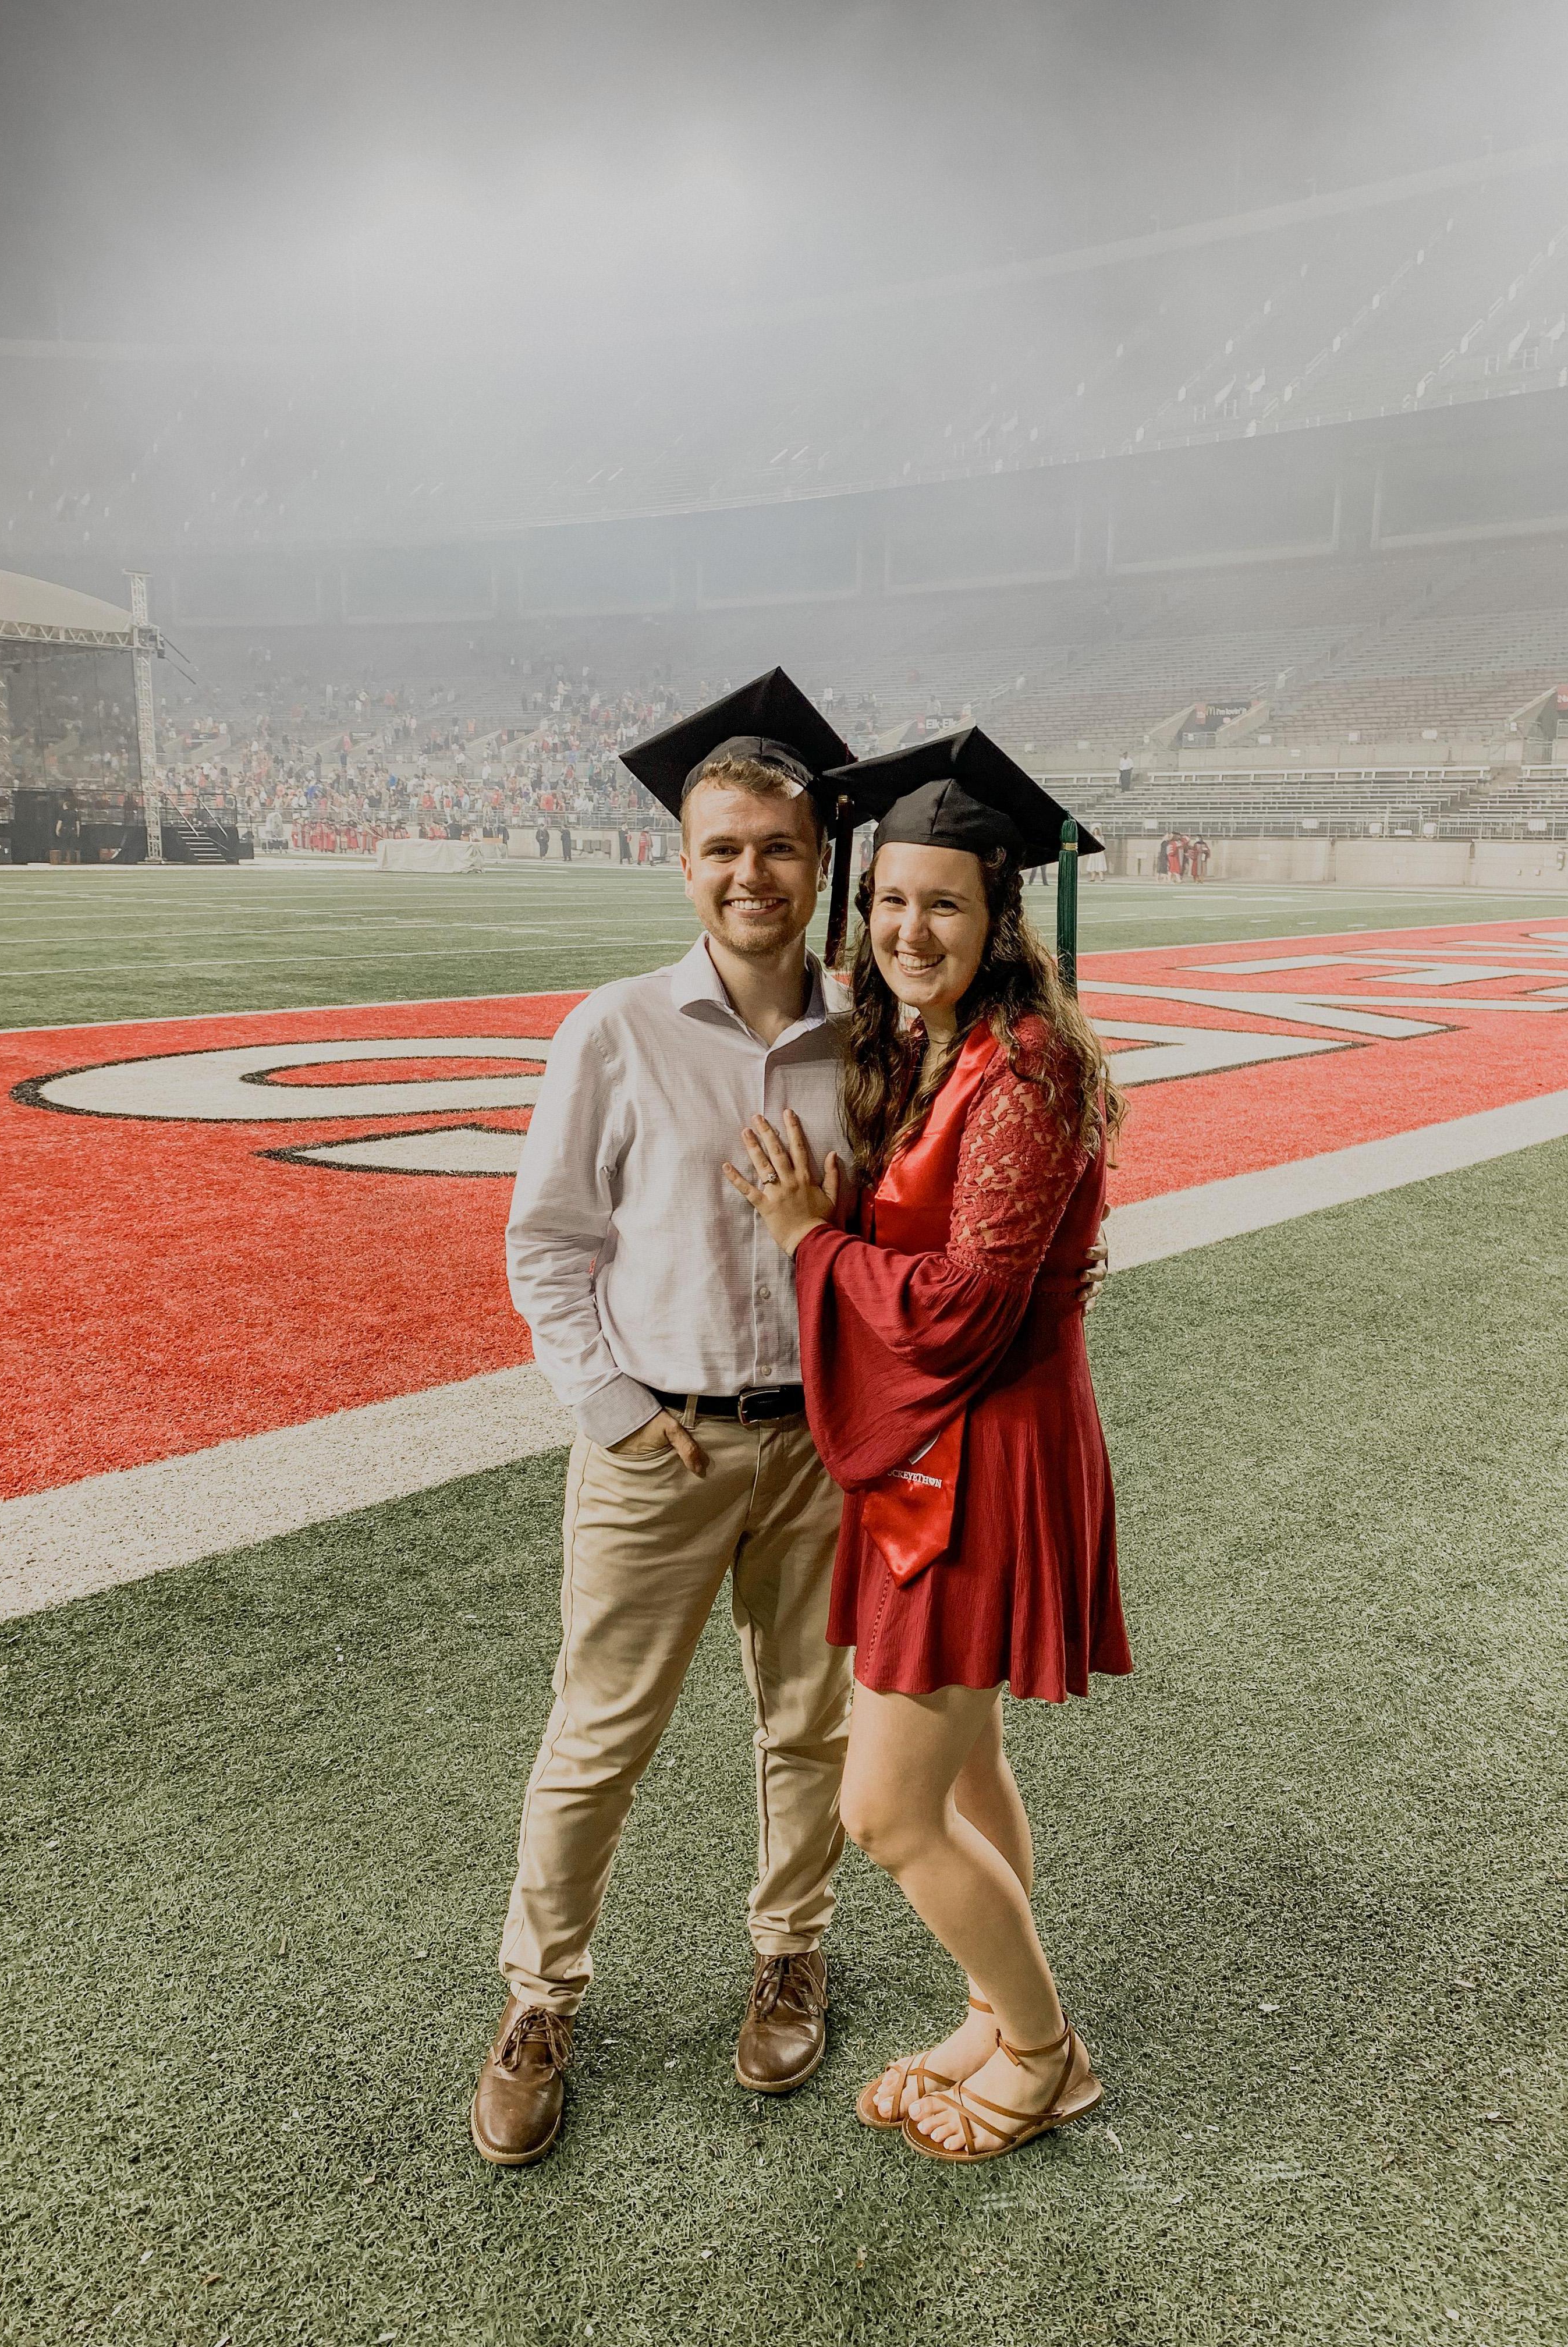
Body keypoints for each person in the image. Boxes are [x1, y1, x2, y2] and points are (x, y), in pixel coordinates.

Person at [726, 726, 1131, 2165]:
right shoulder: (934, 1046)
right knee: (964, 1777)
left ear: (996, 915)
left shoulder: (1020, 1069)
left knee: (886, 1806)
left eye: (944, 903)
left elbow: (963, 1308)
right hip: (948, 1461)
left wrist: (812, 1243)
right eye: (891, 900)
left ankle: (1043, 2051)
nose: (909, 928)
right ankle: (990, 2005)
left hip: (991, 1465)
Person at [474, 670, 860, 2168]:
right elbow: (545, 1243)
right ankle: (538, 2001)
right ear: (682, 862)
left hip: (826, 1449)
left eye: (777, 846)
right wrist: (616, 1408)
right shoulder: (617, 1032)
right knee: (598, 1737)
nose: (751, 874)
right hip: (668, 1444)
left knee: (811, 1726)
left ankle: (790, 1954)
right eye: (723, 849)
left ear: (816, 857)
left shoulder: (870, 1041)